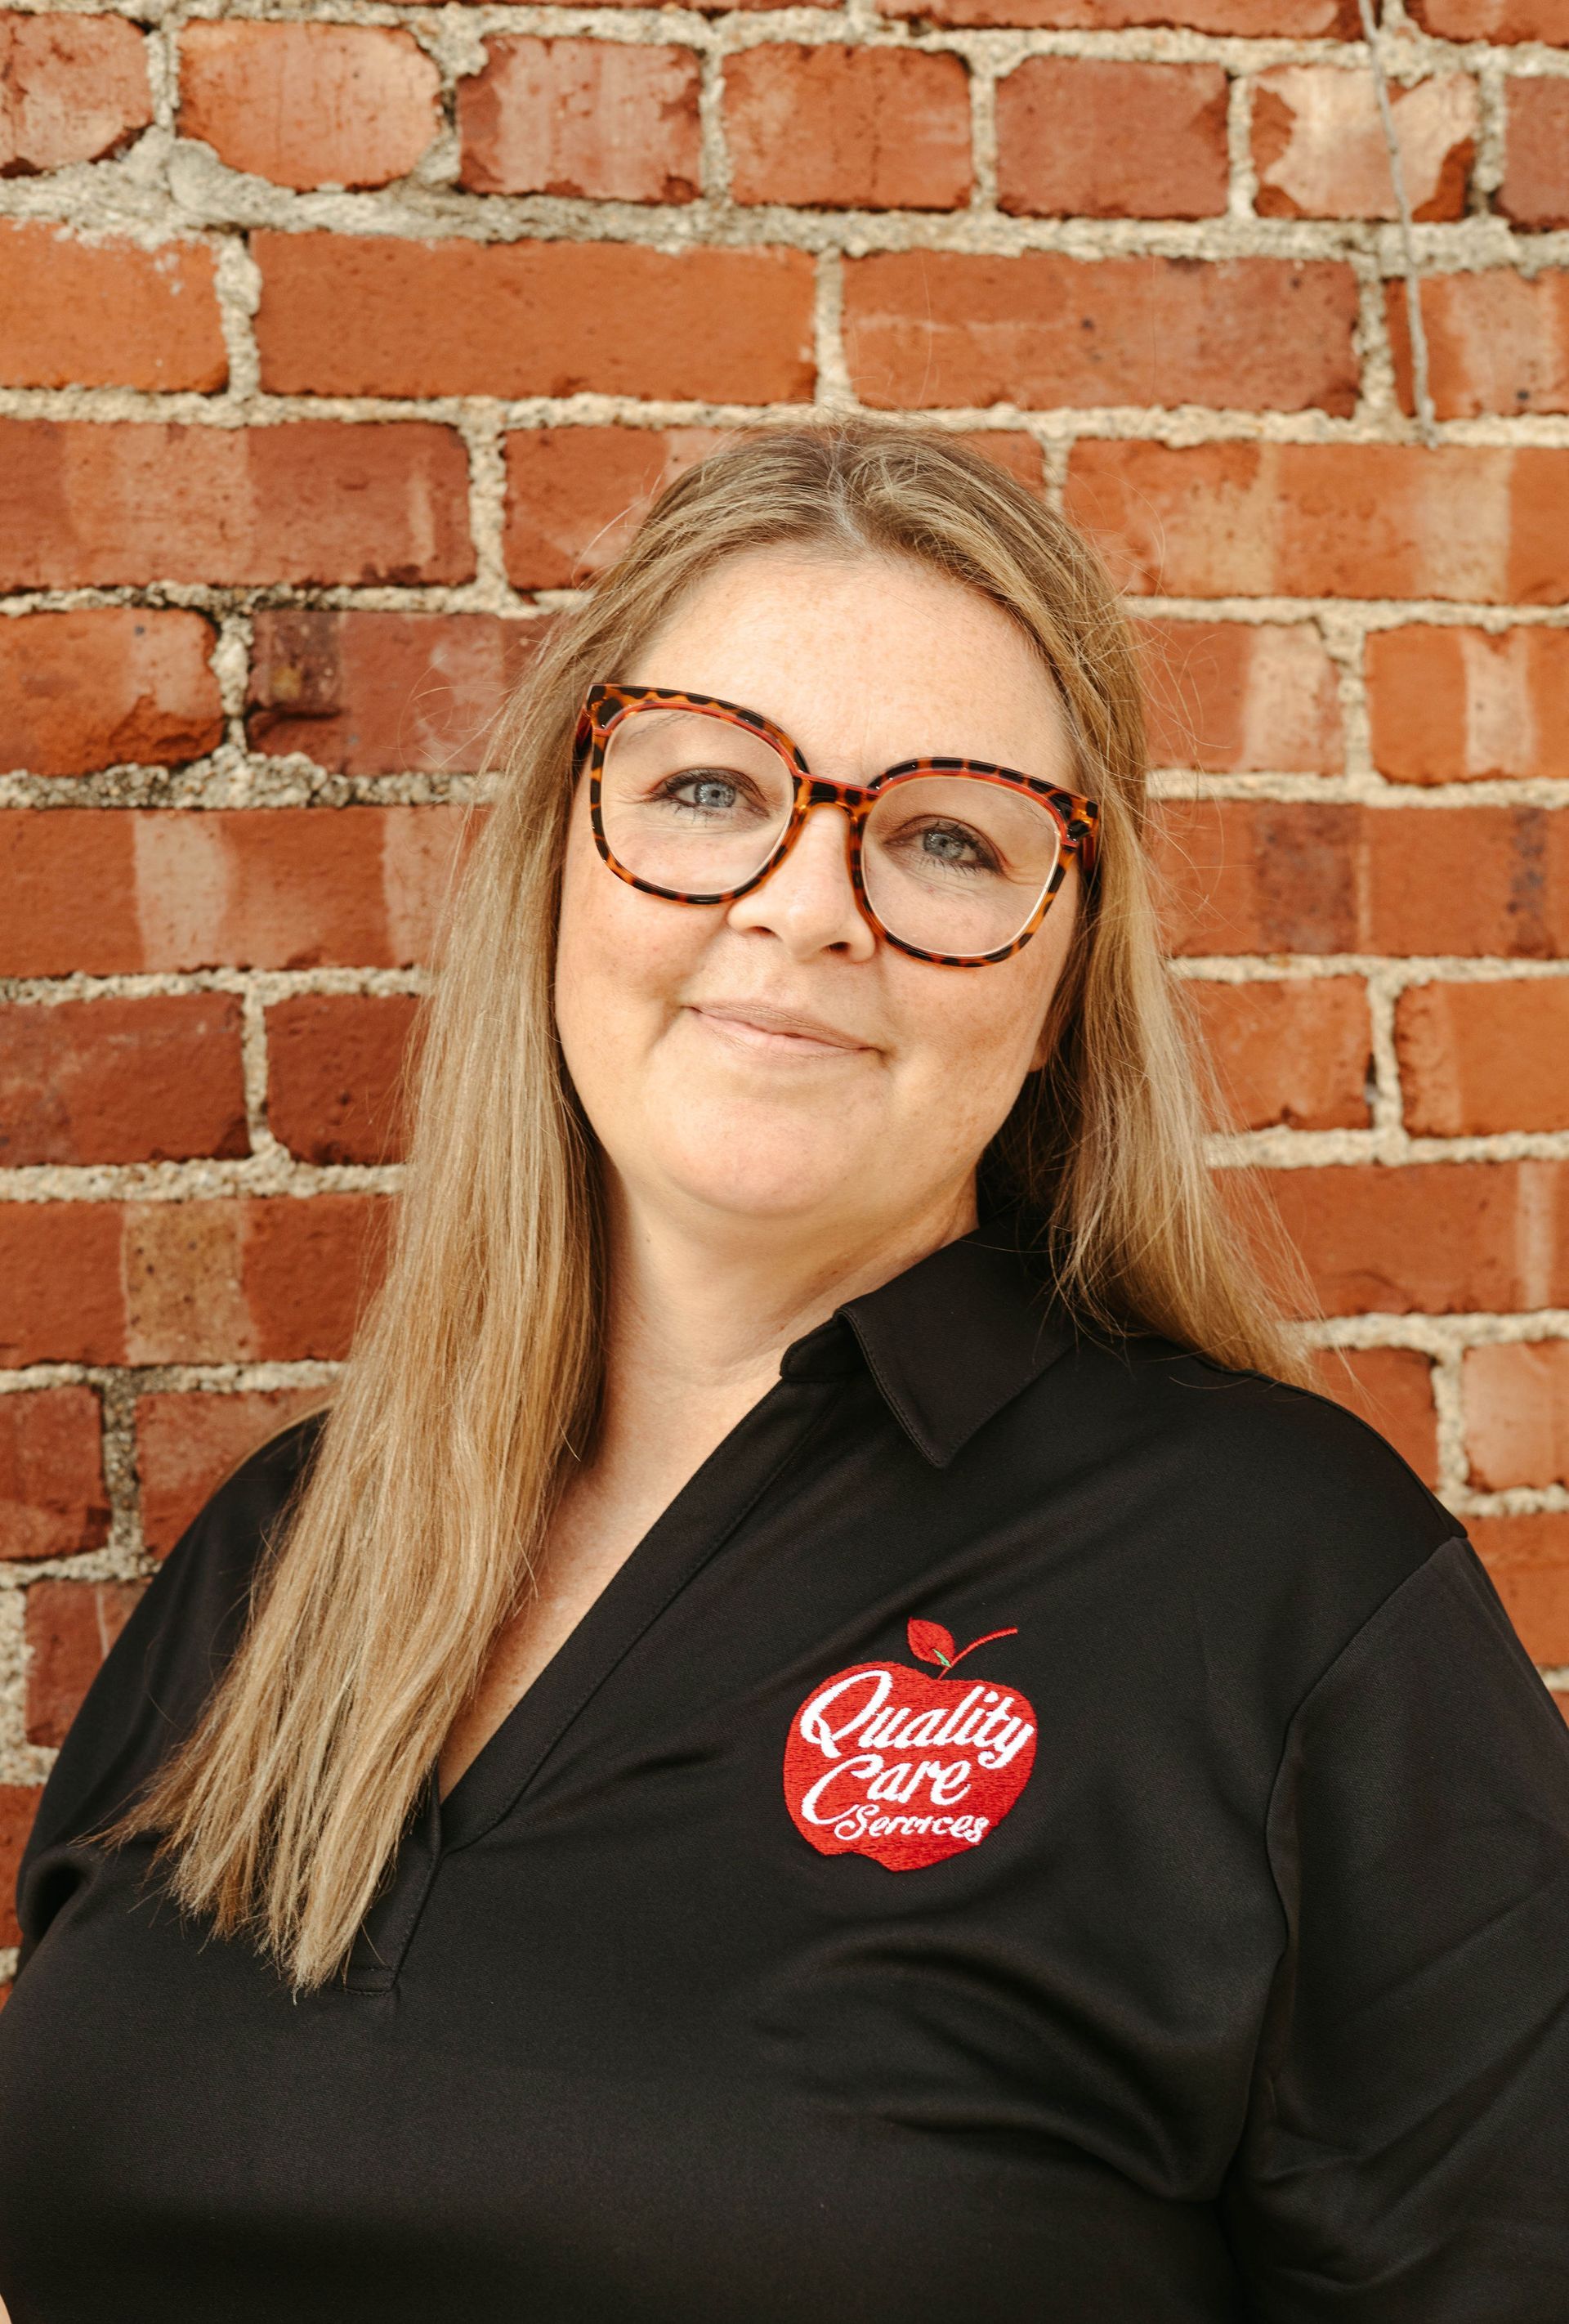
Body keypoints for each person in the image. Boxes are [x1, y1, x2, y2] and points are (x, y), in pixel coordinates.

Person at [2, 423, 1566, 2323]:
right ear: (563, 860)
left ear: (1063, 972)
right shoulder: (283, 1552)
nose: (805, 903)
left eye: (944, 836)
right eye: (710, 788)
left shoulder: (1278, 1583)